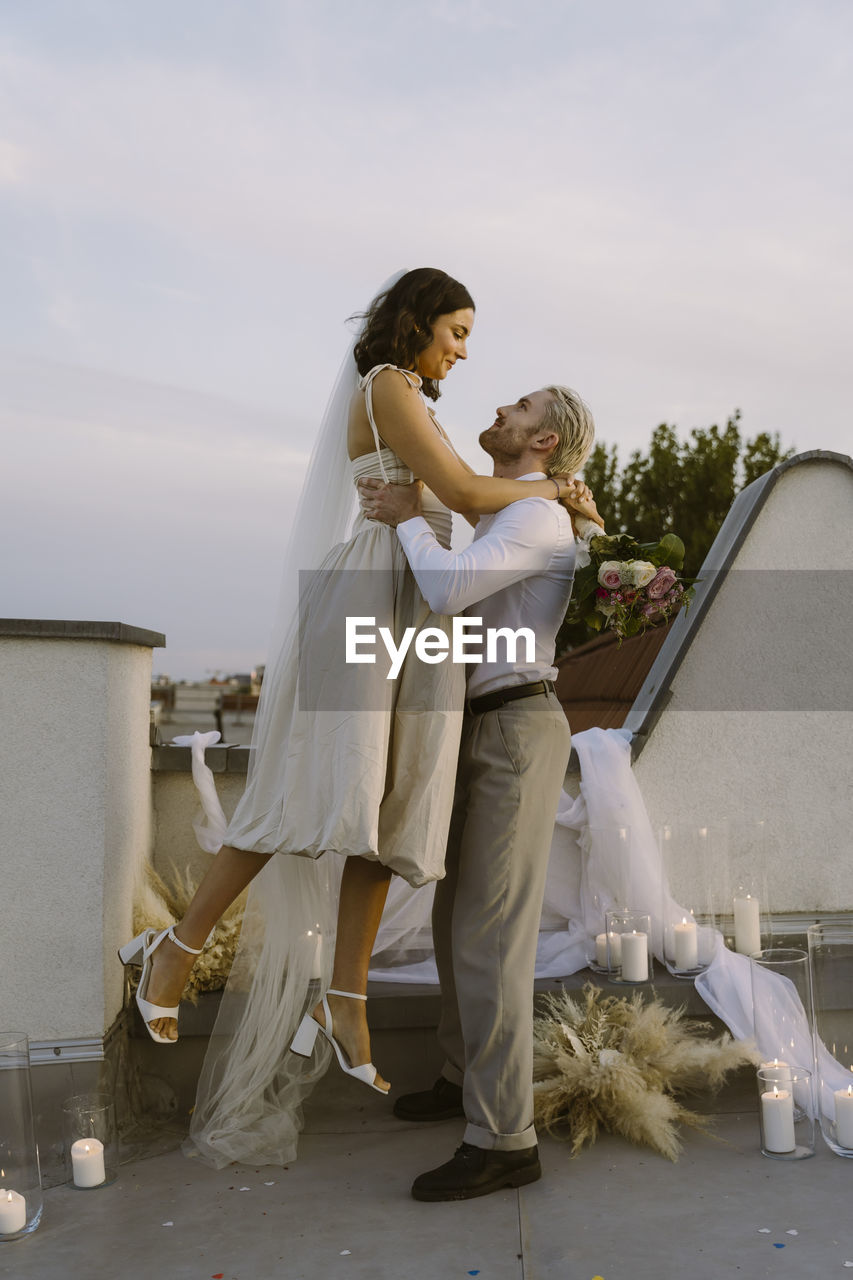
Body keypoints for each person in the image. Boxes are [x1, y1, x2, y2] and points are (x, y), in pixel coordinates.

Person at [118, 270, 587, 1162]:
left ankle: (345, 999)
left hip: (416, 614)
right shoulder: (389, 387)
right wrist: (553, 492)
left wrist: (531, 502)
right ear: (415, 323)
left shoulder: (419, 399)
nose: (463, 350)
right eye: (455, 329)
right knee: (312, 781)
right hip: (379, 598)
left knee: (386, 803)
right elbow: (458, 489)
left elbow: (455, 501)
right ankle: (177, 949)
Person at [358, 383, 603, 1199]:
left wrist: (401, 519)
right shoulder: (510, 508)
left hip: (515, 731)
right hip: (480, 728)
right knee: (455, 914)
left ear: (545, 442)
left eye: (520, 408)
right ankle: (464, 1078)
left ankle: (503, 1139)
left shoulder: (534, 518)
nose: (501, 408)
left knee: (490, 934)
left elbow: (447, 591)